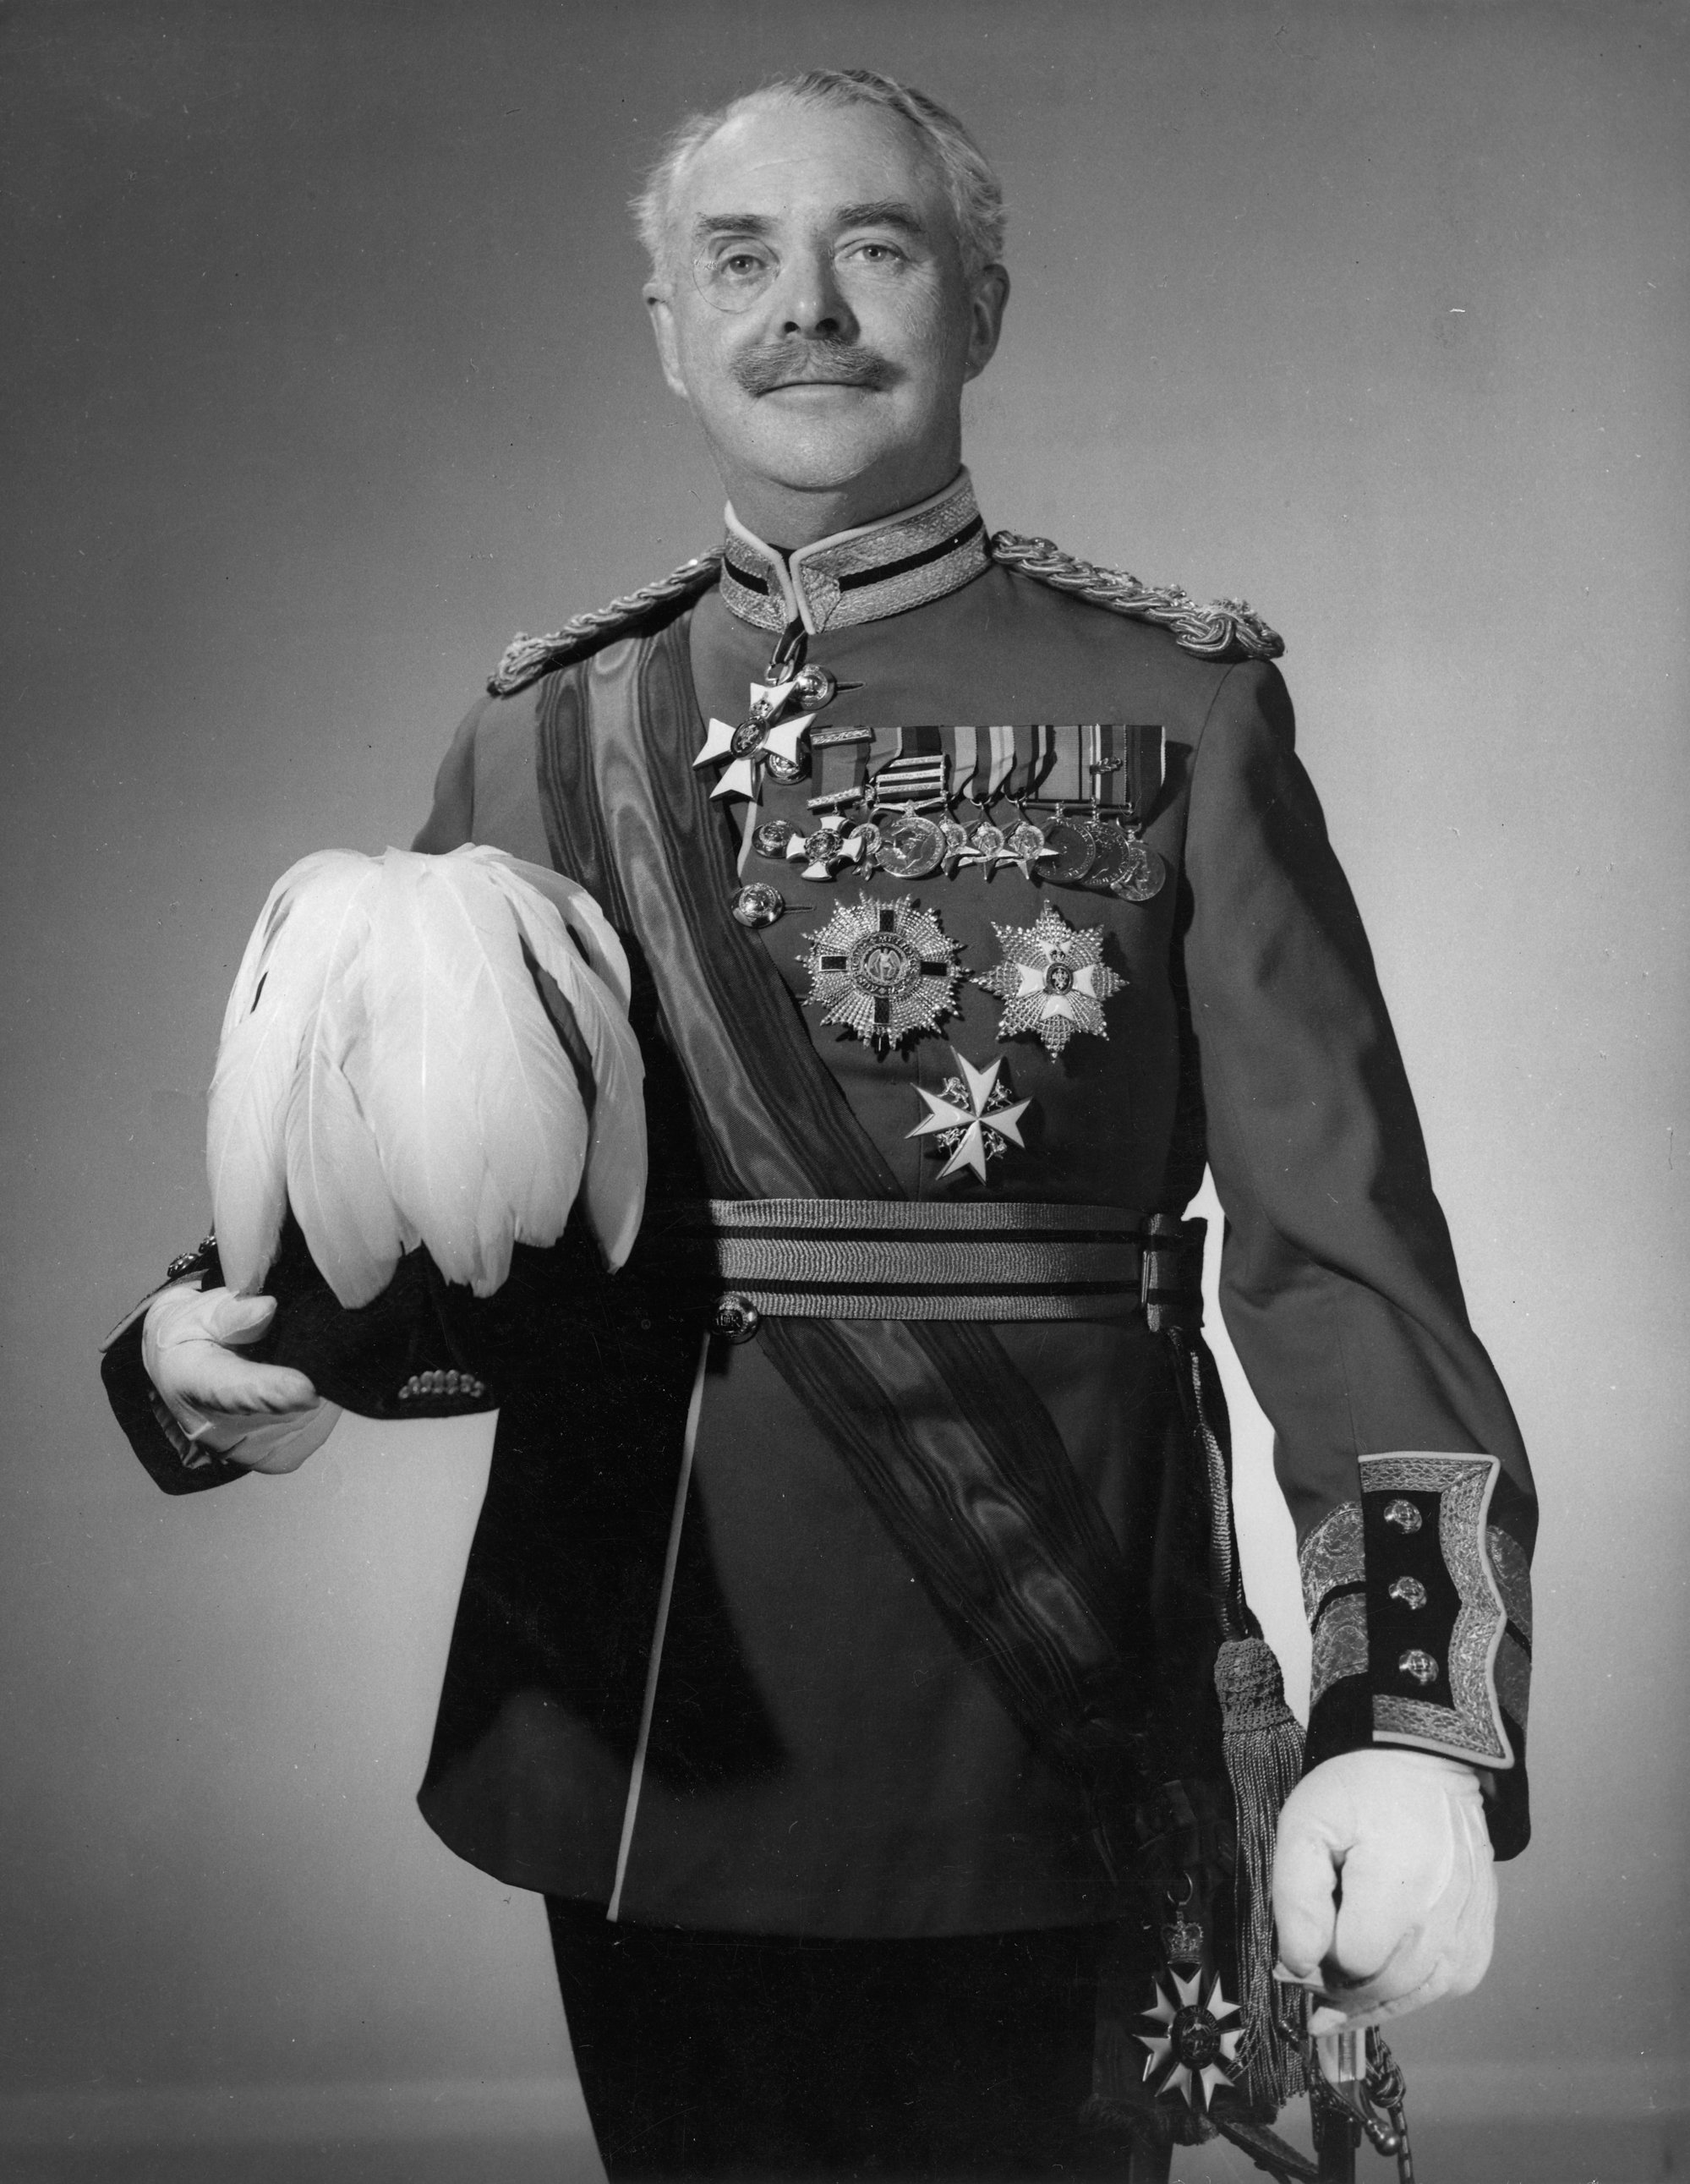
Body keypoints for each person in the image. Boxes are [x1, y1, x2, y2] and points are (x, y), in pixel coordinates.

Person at [102, 68, 1534, 2181]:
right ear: (667, 328)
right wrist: (228, 1352)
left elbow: (1341, 1251)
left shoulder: (1177, 704)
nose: (807, 311)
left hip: (1033, 1683)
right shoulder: (539, 729)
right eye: (736, 261)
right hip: (644, 1708)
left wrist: (1402, 1716)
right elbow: (423, 1188)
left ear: (977, 304)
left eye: (872, 249)